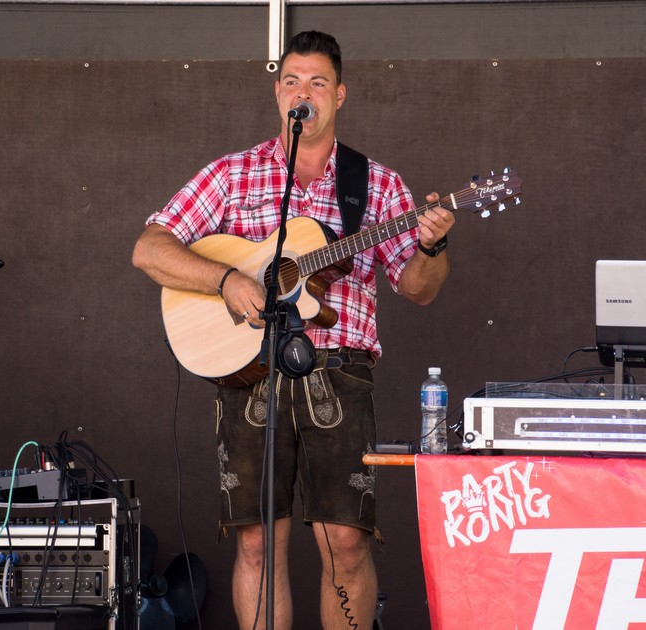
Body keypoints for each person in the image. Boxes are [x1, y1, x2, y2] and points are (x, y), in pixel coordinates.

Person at [132, 30, 454, 630]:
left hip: (338, 373)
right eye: (292, 82)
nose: (303, 93)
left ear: (340, 94)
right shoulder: (233, 174)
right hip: (251, 372)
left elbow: (418, 288)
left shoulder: (376, 183)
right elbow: (150, 249)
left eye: (318, 82)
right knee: (257, 543)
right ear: (278, 93)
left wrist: (432, 246)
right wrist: (227, 279)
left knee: (346, 542)